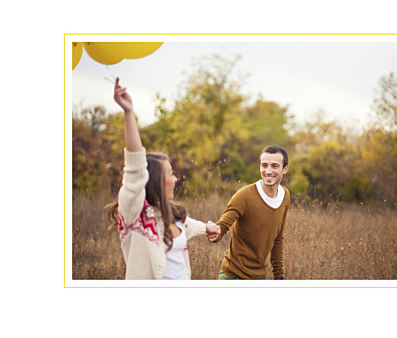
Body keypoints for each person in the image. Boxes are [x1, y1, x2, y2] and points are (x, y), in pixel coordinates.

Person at [104, 77, 220, 280]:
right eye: (170, 174)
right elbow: (134, 168)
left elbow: (188, 225)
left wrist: (207, 228)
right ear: (155, 180)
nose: (175, 179)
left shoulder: (170, 214)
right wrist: (129, 112)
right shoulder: (135, 214)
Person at [209, 145, 290, 280]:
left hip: (259, 277)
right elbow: (223, 225)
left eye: (274, 166)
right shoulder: (244, 195)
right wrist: (215, 233)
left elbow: (278, 238)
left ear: (285, 169)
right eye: (264, 165)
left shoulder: (285, 196)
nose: (268, 171)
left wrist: (279, 276)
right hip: (233, 276)